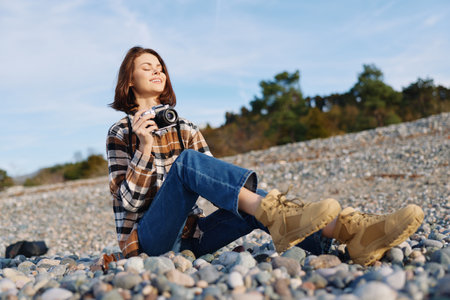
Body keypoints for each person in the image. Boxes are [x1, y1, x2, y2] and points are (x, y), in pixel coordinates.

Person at [106, 46, 424, 266]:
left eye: (160, 67)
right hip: (148, 243)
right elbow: (128, 204)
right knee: (188, 163)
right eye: (147, 67)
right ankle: (293, 218)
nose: (157, 71)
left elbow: (218, 188)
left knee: (248, 200)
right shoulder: (121, 132)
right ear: (130, 79)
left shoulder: (185, 127)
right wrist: (145, 148)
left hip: (195, 239)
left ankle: (353, 233)